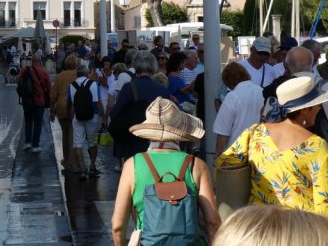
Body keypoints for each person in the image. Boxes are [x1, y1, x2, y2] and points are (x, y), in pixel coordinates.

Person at [216, 76, 328, 214]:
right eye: (317, 104)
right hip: (298, 224)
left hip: (259, 220)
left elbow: (224, 162)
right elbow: (325, 204)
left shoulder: (254, 133)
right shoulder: (316, 146)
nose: (319, 108)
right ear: (304, 110)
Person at [111, 97, 221, 246]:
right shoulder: (197, 165)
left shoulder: (132, 165)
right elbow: (213, 222)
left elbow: (117, 226)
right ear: (179, 133)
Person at [109, 51, 171, 170]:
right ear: (154, 67)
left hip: (133, 143)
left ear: (135, 66)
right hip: (156, 143)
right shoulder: (163, 90)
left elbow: (115, 113)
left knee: (134, 174)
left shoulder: (129, 88)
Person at [213, 205, 328, 246]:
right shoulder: (319, 153)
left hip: (254, 219)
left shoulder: (253, 149)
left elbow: (227, 163)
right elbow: (325, 204)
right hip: (302, 229)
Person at [213, 62, 263, 155]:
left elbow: (223, 132)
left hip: (237, 152)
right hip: (259, 149)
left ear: (227, 81)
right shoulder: (261, 91)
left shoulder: (232, 96)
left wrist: (217, 155)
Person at [68, 64, 104, 179]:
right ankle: (92, 166)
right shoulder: (93, 84)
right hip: (92, 116)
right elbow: (98, 102)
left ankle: (82, 169)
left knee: (77, 143)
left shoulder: (72, 85)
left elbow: (71, 104)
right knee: (92, 141)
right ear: (87, 73)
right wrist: (103, 116)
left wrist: (71, 118)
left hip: (77, 116)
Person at [49, 53, 79, 173]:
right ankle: (73, 161)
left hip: (61, 106)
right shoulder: (78, 74)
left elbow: (53, 95)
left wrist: (51, 110)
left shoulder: (60, 76)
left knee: (65, 134)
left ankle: (66, 159)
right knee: (73, 134)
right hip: (74, 107)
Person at [16, 53, 51, 153]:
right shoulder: (44, 72)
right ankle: (35, 145)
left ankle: (28, 142)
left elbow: (18, 80)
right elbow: (49, 88)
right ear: (40, 61)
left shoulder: (25, 70)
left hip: (27, 101)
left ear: (32, 61)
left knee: (28, 121)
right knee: (38, 123)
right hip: (40, 102)